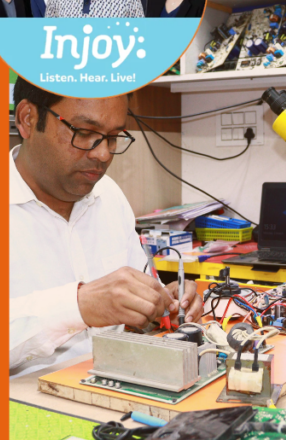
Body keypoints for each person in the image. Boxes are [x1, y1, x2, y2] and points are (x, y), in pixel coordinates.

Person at [10, 78, 203, 377]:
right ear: (28, 119)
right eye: (85, 133)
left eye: (113, 137)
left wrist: (161, 303)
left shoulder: (109, 195)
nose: (103, 154)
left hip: (114, 386)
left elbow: (133, 306)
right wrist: (78, 306)